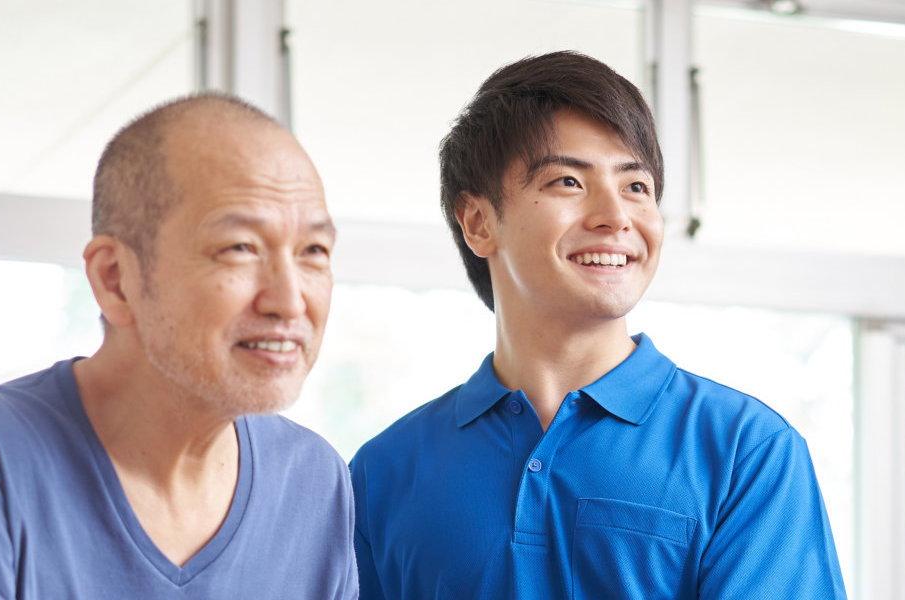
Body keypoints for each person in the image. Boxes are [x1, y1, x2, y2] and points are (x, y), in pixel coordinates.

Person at [348, 51, 848, 599]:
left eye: (637, 187)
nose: (616, 215)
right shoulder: (383, 471)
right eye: (568, 181)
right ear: (478, 221)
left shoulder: (746, 452)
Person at [0, 93, 356, 599]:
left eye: (313, 251)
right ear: (115, 279)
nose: (289, 301)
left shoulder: (314, 480)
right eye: (239, 248)